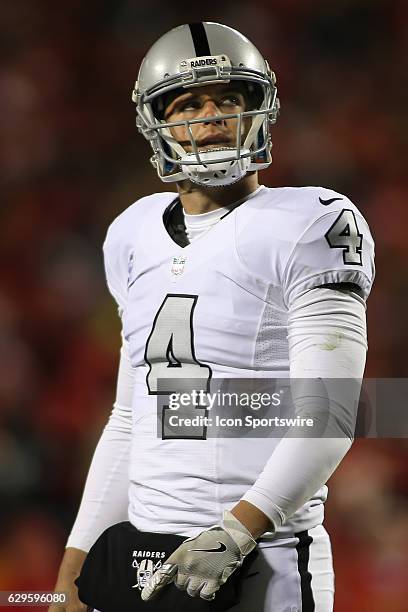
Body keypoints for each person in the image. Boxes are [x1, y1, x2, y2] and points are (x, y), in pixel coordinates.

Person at [50, 22, 375, 612]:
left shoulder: (313, 220)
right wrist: (70, 579)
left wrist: (238, 529)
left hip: (265, 555)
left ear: (260, 112)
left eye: (230, 99)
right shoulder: (131, 233)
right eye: (190, 103)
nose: (214, 114)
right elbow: (131, 418)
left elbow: (331, 409)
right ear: (158, 123)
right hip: (140, 560)